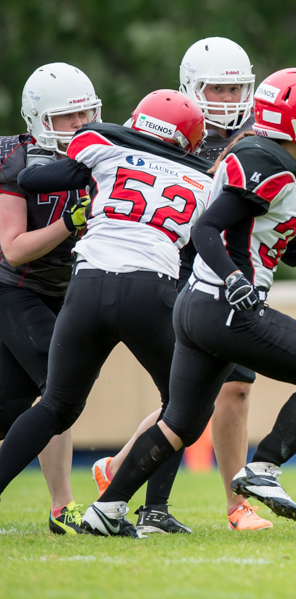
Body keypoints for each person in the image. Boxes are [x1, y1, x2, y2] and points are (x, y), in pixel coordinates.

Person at [80, 67, 296, 538]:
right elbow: (206, 229)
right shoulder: (266, 161)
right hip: (226, 307)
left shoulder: (275, 157)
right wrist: (235, 279)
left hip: (200, 304)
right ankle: (264, 468)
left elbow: (282, 252)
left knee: (180, 423)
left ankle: (106, 509)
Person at [0, 89, 211, 535]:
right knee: (183, 404)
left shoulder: (107, 148)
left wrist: (102, 154)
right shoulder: (204, 178)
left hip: (87, 285)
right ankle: (125, 507)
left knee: (55, 405)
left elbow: (33, 180)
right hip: (149, 292)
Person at [91, 37, 273, 532]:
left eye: (236, 88)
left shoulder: (258, 136)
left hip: (231, 275)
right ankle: (211, 505)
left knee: (228, 390)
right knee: (195, 395)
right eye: (217, 88)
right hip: (179, 273)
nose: (229, 99)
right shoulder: (167, 127)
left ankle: (129, 475)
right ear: (191, 87)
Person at [0, 63, 101, 534]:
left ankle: (61, 507)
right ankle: (63, 506)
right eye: (67, 116)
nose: (80, 125)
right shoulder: (16, 161)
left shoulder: (103, 156)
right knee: (60, 387)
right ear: (39, 119)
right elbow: (14, 250)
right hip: (15, 289)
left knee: (10, 407)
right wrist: (69, 222)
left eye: (86, 113)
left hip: (63, 291)